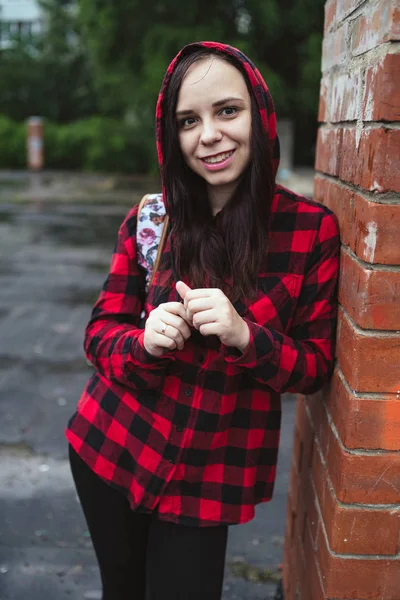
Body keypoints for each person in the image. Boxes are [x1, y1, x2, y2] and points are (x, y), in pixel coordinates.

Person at [66, 41, 340, 600]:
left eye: (227, 111)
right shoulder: (152, 218)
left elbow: (314, 367)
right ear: (172, 135)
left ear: (259, 115)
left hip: (209, 479)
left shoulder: (310, 231)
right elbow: (99, 335)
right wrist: (143, 343)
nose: (209, 135)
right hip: (112, 448)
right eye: (188, 120)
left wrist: (247, 337)